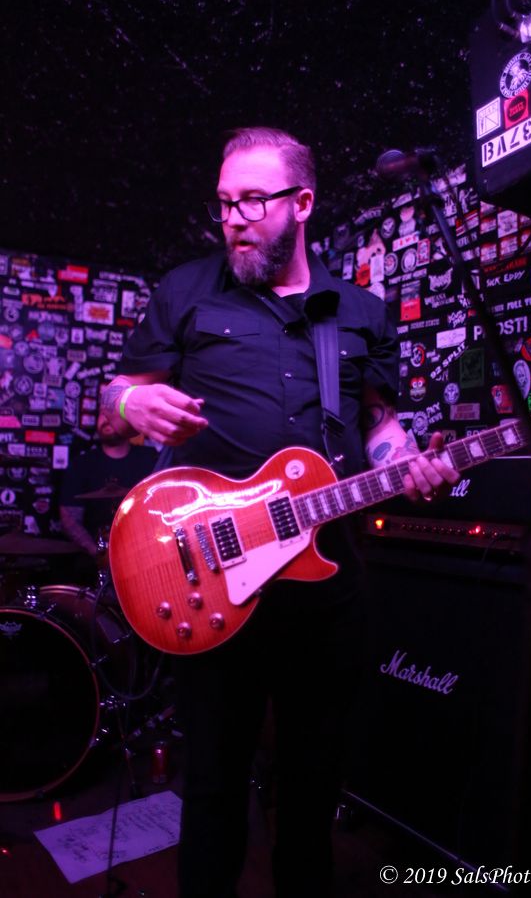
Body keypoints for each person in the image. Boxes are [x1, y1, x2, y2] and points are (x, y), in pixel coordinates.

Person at [100, 127, 460, 898]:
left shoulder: (359, 311)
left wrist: (408, 464)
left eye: (252, 201)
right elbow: (113, 407)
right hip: (210, 577)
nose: (232, 218)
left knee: (312, 788)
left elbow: (380, 426)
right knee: (214, 790)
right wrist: (130, 402)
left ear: (302, 203)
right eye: (224, 202)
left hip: (327, 587)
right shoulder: (186, 291)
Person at [59, 410, 157, 576]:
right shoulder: (82, 464)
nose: (106, 419)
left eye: (113, 414)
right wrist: (100, 554)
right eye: (102, 414)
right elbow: (69, 519)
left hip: (147, 558)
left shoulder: (150, 458)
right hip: (94, 565)